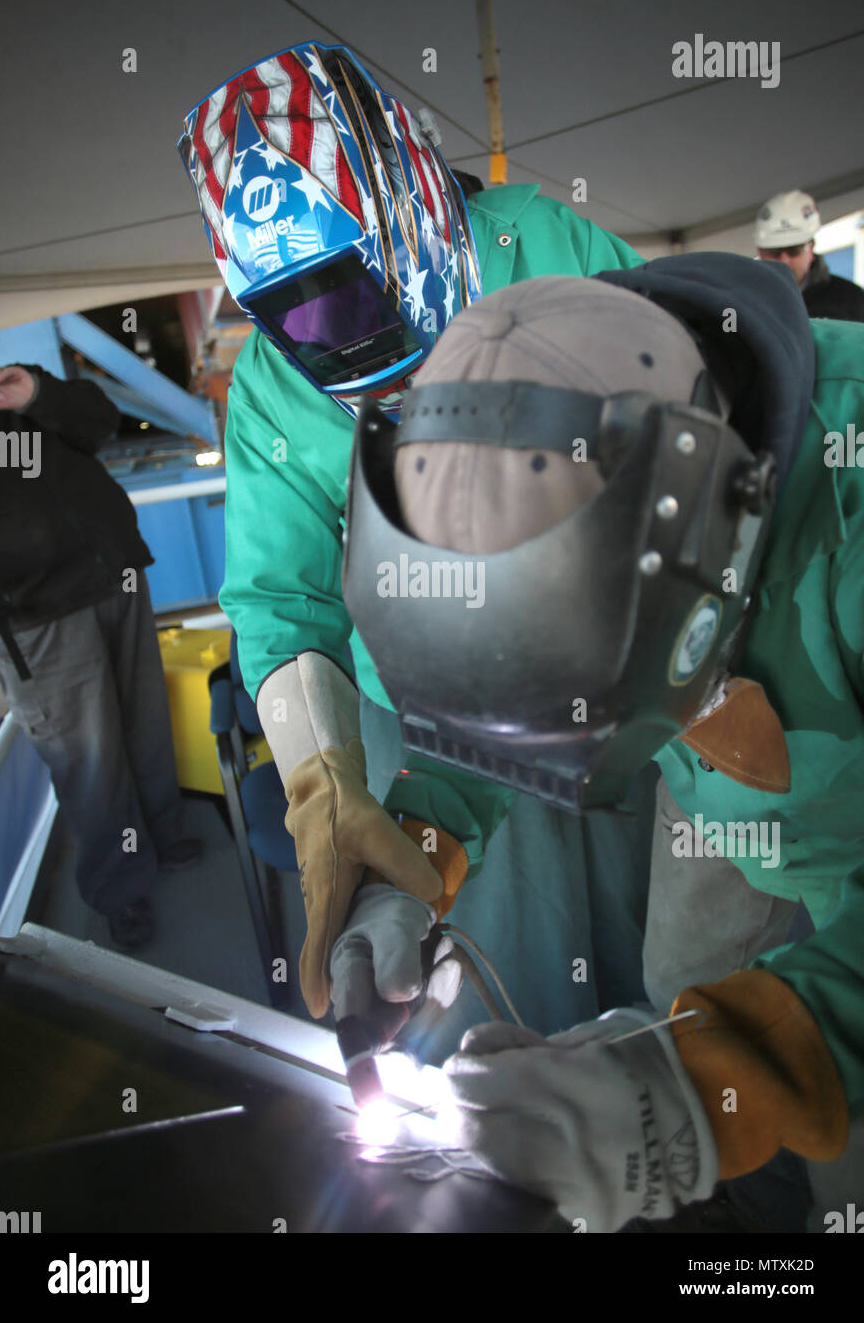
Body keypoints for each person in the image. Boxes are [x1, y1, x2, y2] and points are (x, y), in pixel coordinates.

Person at [340, 257, 863, 1232]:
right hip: (720, 783)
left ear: (708, 541)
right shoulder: (581, 473)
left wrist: (716, 1079)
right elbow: (495, 685)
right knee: (683, 991)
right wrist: (409, 862)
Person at [179, 39, 651, 1035]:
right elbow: (281, 599)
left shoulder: (546, 248)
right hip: (422, 705)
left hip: (621, 664)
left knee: (653, 938)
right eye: (293, 318)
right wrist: (323, 784)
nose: (340, 349)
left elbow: (676, 450)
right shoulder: (272, 383)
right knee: (465, 974)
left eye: (351, 294)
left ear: (412, 211)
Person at [0, 363, 200, 949]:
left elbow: (100, 421)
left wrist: (36, 393)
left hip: (115, 576)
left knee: (145, 721)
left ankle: (161, 835)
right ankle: (121, 889)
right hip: (38, 615)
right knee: (88, 758)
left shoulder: (22, 391)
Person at [755, 189, 864, 321]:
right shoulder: (743, 299)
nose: (784, 260)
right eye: (775, 252)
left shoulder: (851, 299)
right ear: (760, 251)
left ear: (811, 248)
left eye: (793, 250)